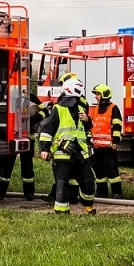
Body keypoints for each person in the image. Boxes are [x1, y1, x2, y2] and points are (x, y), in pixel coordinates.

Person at [38, 75, 95, 214]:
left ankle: (87, 203)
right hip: (63, 153)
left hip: (80, 152)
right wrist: (44, 149)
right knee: (62, 184)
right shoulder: (59, 109)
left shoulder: (81, 108)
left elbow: (85, 129)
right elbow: (46, 130)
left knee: (88, 181)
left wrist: (87, 120)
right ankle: (62, 211)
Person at [87, 83, 124, 198]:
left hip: (109, 147)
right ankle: (101, 192)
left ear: (104, 95)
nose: (96, 96)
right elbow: (91, 125)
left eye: (98, 94)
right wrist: (89, 139)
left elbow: (117, 126)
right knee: (99, 171)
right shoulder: (96, 109)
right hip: (97, 147)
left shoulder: (113, 108)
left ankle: (117, 192)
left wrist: (116, 141)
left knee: (112, 171)